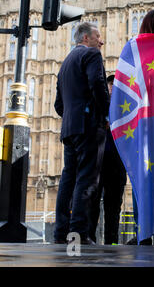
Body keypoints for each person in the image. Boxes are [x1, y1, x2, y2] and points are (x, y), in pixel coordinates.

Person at [54, 22, 109, 245]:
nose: (101, 41)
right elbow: (97, 83)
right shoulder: (92, 55)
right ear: (86, 38)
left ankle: (60, 233)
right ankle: (78, 234)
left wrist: (71, 115)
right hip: (88, 126)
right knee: (86, 180)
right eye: (98, 36)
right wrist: (105, 114)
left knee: (68, 179)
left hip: (69, 129)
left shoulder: (65, 63)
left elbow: (58, 105)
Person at [88, 74, 128, 245]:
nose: (112, 87)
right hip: (98, 161)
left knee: (114, 205)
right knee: (93, 202)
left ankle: (111, 242)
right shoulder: (97, 104)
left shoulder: (124, 108)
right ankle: (89, 238)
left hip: (117, 162)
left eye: (115, 84)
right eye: (110, 84)